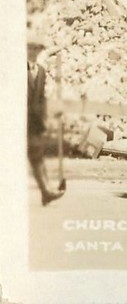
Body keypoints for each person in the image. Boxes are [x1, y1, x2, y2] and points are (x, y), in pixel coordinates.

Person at [27, 32, 64, 206]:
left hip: (33, 123)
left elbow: (40, 99)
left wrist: (49, 115)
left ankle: (46, 192)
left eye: (36, 49)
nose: (33, 52)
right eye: (30, 48)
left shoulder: (40, 71)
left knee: (37, 156)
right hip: (15, 122)